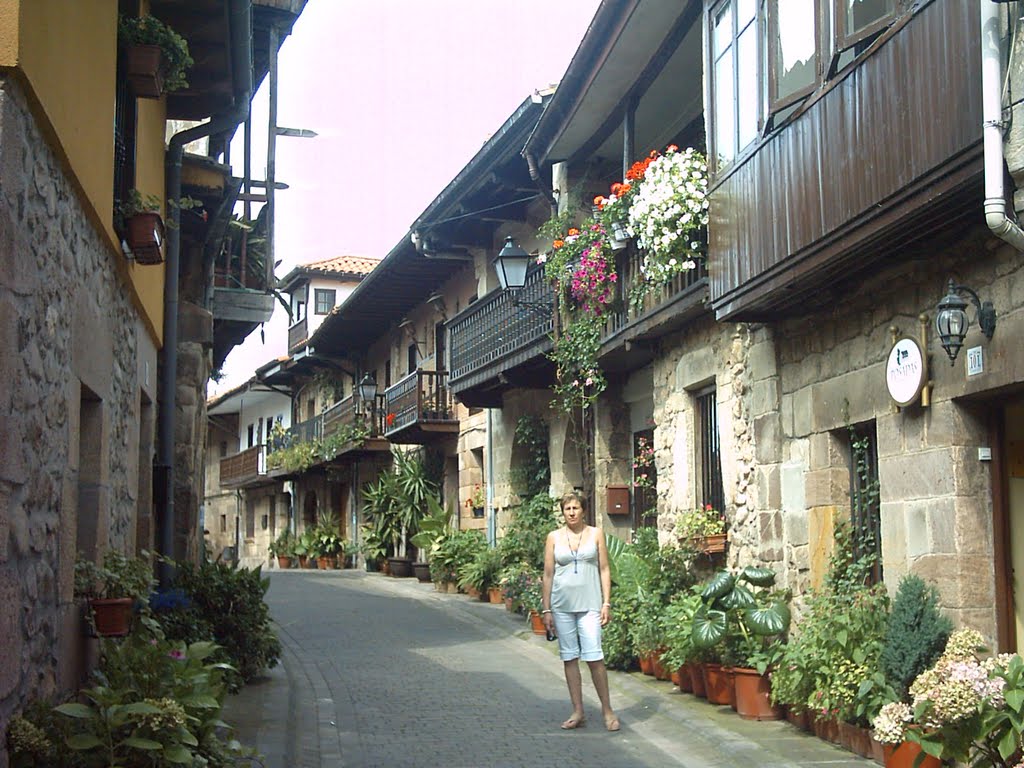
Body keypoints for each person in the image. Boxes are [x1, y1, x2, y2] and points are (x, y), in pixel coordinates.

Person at [541, 491, 620, 731]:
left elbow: (604, 569)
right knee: (569, 657)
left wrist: (606, 602)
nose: (572, 513)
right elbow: (547, 574)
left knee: (594, 656)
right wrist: (546, 609)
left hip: (589, 605)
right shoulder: (553, 537)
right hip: (562, 605)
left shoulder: (595, 534)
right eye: (567, 509)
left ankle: (607, 710)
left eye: (575, 508)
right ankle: (578, 710)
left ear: (583, 510)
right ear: (563, 512)